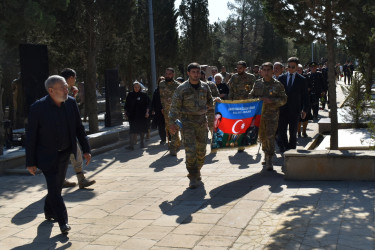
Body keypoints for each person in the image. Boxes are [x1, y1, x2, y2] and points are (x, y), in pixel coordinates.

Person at [26, 75, 91, 234]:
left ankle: (49, 211)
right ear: (51, 90)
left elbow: (78, 128)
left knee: (55, 188)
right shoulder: (37, 108)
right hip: (46, 156)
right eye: (62, 87)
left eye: (65, 86)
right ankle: (63, 222)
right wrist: (30, 162)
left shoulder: (70, 103)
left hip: (64, 154)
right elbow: (31, 136)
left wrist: (86, 149)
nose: (66, 89)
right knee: (55, 188)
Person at [169, 62, 214, 189]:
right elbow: (174, 107)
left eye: (198, 72)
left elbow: (210, 102)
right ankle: (193, 176)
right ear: (188, 73)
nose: (196, 74)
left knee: (201, 152)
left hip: (201, 122)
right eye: (193, 72)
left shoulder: (205, 87)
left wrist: (215, 102)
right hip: (187, 123)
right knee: (190, 151)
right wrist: (172, 123)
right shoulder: (181, 88)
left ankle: (197, 170)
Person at [59, 68, 95, 189]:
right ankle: (79, 179)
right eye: (74, 78)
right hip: (63, 135)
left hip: (66, 133)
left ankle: (69, 180)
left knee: (74, 155)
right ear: (70, 78)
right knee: (74, 155)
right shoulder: (59, 94)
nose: (75, 80)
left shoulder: (66, 95)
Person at [249, 62, 287, 170]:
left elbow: (284, 99)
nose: (266, 72)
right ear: (261, 71)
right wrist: (256, 100)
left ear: (272, 71)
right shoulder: (257, 83)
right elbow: (251, 96)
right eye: (264, 70)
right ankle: (265, 154)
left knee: (270, 136)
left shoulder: (277, 84)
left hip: (272, 116)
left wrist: (271, 101)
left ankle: (269, 158)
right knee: (262, 137)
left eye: (268, 70)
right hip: (259, 116)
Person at [277, 57, 309, 153]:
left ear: (296, 67)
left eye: (293, 67)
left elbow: (305, 96)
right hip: (282, 110)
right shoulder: (281, 78)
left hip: (295, 110)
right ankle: (285, 147)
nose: (290, 68)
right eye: (289, 66)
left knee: (293, 132)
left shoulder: (302, 79)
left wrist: (305, 110)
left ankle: (292, 150)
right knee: (282, 131)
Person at [227, 60, 256, 152]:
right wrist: (229, 102)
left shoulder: (251, 77)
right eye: (238, 68)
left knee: (246, 124)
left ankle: (246, 140)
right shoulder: (233, 77)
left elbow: (254, 90)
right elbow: (231, 90)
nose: (239, 69)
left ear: (245, 68)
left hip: (247, 104)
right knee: (238, 124)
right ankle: (240, 144)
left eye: (241, 68)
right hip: (236, 105)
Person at [159, 68, 181, 155]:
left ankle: (173, 148)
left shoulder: (178, 85)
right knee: (169, 127)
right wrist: (162, 107)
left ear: (173, 75)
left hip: (176, 111)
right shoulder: (161, 84)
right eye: (166, 73)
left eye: (169, 74)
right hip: (166, 110)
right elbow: (161, 97)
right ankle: (177, 143)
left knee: (174, 128)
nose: (167, 75)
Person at [124, 81, 150, 150]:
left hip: (141, 115)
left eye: (138, 87)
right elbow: (126, 105)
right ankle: (131, 145)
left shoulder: (144, 95)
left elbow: (148, 104)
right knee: (132, 130)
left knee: (142, 129)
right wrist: (126, 113)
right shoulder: (130, 95)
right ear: (133, 87)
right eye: (135, 87)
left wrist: (147, 112)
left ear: (140, 87)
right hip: (132, 116)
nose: (136, 88)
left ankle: (142, 143)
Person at [151, 76, 166, 145]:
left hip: (167, 110)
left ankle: (171, 139)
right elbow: (154, 101)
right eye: (161, 81)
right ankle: (163, 139)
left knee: (169, 125)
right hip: (159, 112)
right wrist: (153, 109)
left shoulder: (168, 90)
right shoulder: (156, 91)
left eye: (163, 80)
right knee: (161, 126)